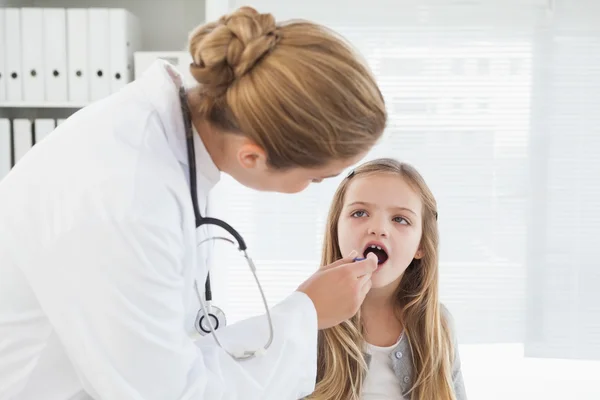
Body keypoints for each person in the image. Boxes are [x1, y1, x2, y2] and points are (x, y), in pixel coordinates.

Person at [0, 7, 386, 400]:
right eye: (315, 178)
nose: (311, 189)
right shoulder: (128, 198)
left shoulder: (173, 138)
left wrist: (304, 312)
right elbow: (171, 393)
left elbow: (174, 358)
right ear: (252, 157)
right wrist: (307, 315)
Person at [307, 158, 467, 400]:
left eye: (400, 219)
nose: (378, 228)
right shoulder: (308, 321)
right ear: (335, 230)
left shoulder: (438, 324)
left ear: (420, 246)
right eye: (359, 213)